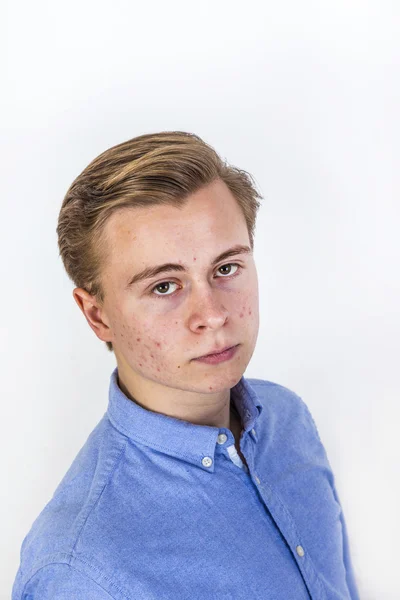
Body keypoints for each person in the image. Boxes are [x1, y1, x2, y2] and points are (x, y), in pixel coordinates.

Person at [12, 131, 360, 599]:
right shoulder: (82, 572)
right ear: (97, 315)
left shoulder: (286, 417)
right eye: (163, 286)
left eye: (226, 269)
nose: (213, 314)